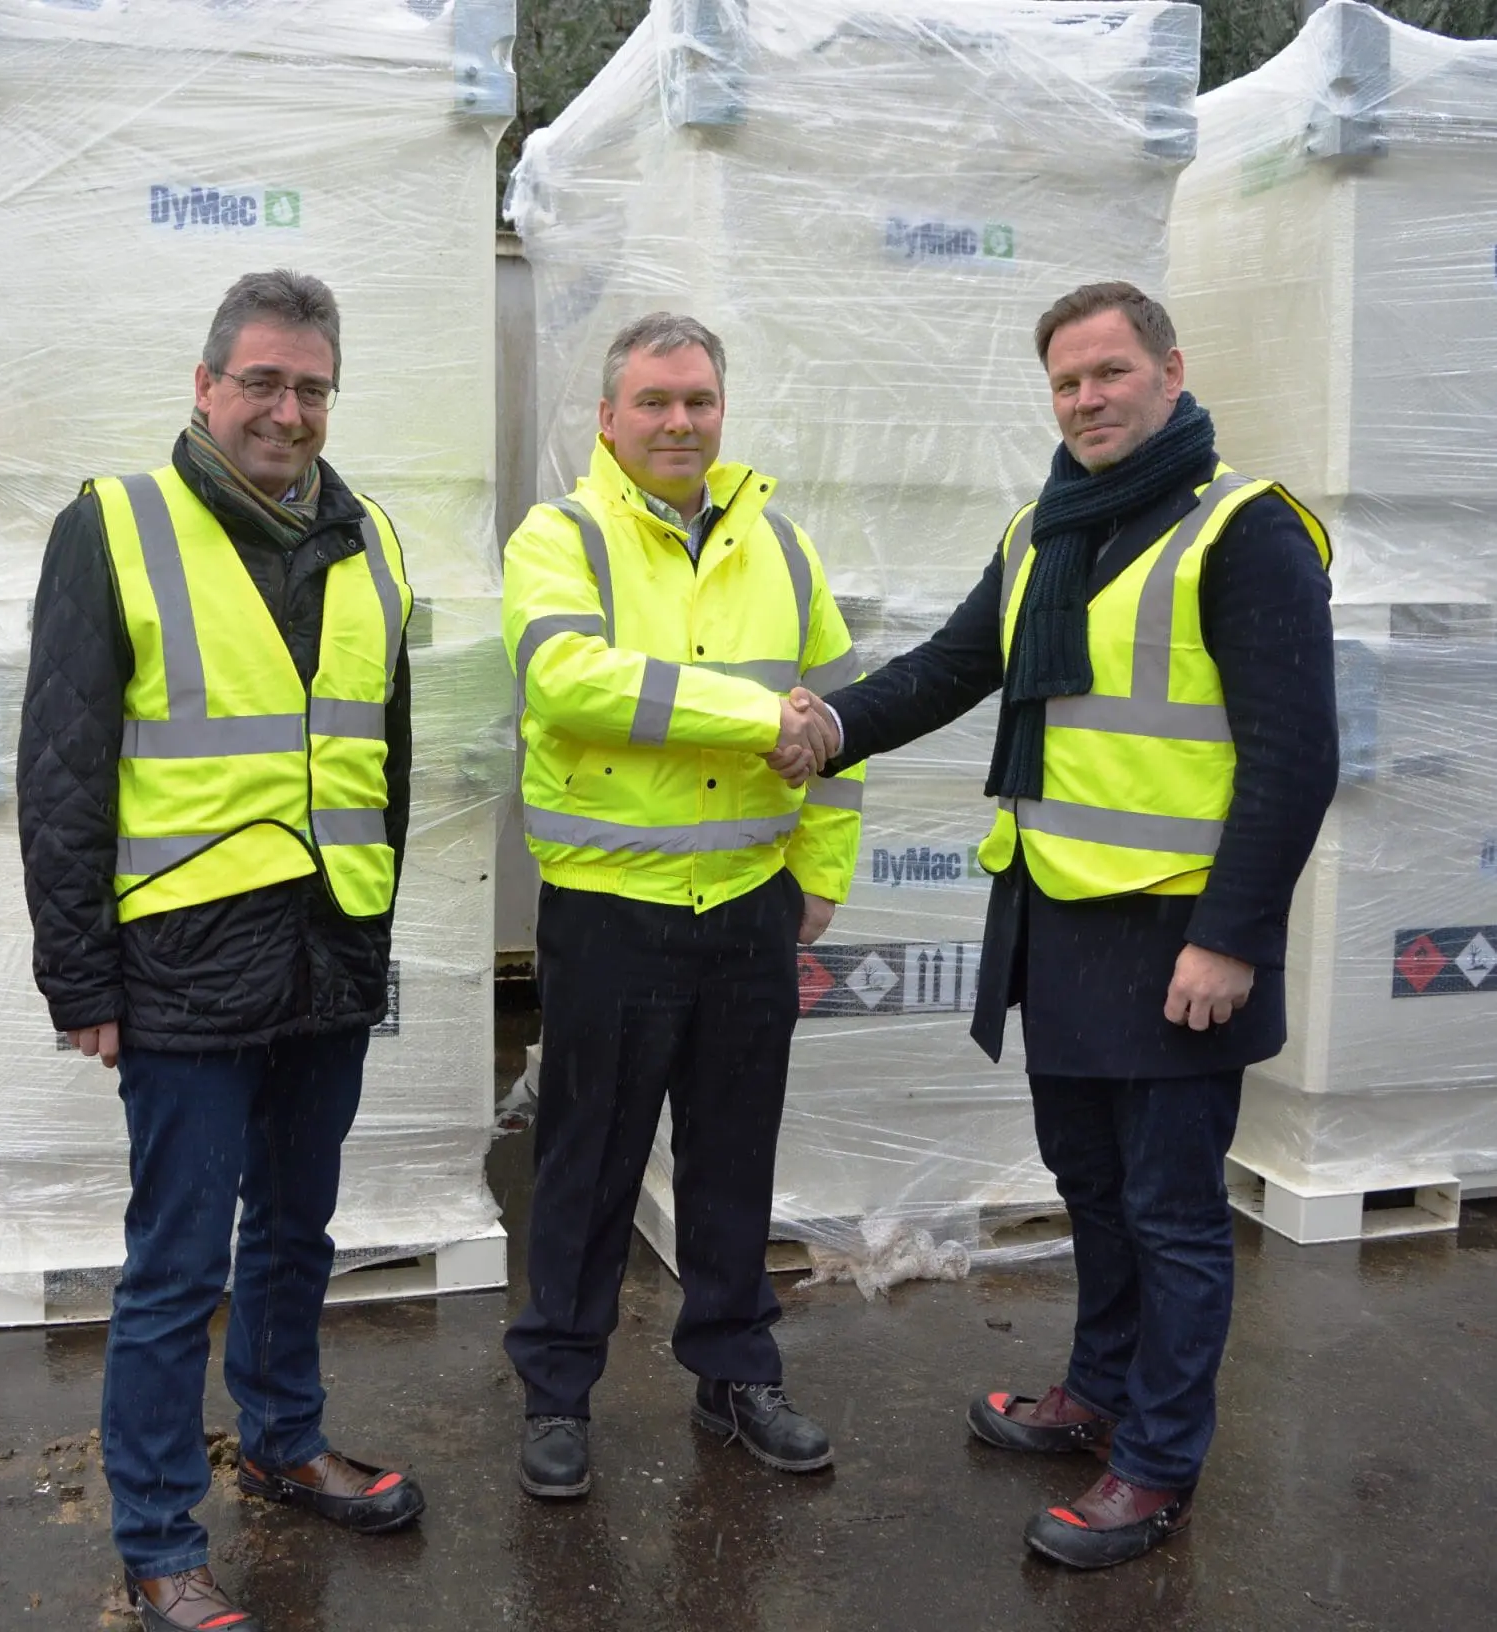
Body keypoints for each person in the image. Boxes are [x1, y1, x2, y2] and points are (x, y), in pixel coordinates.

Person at [780, 282, 1338, 1568]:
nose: (1085, 399)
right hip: (1057, 921)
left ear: (1168, 372)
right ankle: (1096, 1393)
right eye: (1063, 383)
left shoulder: (1243, 532)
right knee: (1093, 1190)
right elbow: (951, 664)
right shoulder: (1046, 526)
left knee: (1174, 1213)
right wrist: (833, 728)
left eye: (1106, 373)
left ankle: (1154, 1464)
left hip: (1177, 939)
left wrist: (1232, 935)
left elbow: (1291, 757)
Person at [18, 269, 424, 1632]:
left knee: (296, 1232)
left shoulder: (370, 542)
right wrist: (80, 975)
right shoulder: (116, 527)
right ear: (204, 388)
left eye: (311, 386)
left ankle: (283, 1437)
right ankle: (153, 1541)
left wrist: (371, 930)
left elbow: (388, 758)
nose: (287, 409)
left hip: (326, 950)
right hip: (184, 960)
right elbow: (63, 769)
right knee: (176, 1264)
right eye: (261, 380)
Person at [501, 312, 864, 1500]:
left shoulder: (782, 550)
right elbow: (569, 681)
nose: (677, 423)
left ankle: (733, 1371)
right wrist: (751, 717)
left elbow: (838, 721)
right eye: (652, 403)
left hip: (750, 907)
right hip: (613, 909)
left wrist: (818, 871)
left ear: (722, 412)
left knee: (732, 1154)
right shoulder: (560, 538)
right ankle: (557, 1390)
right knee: (586, 1163)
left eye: (697, 401)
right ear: (607, 419)